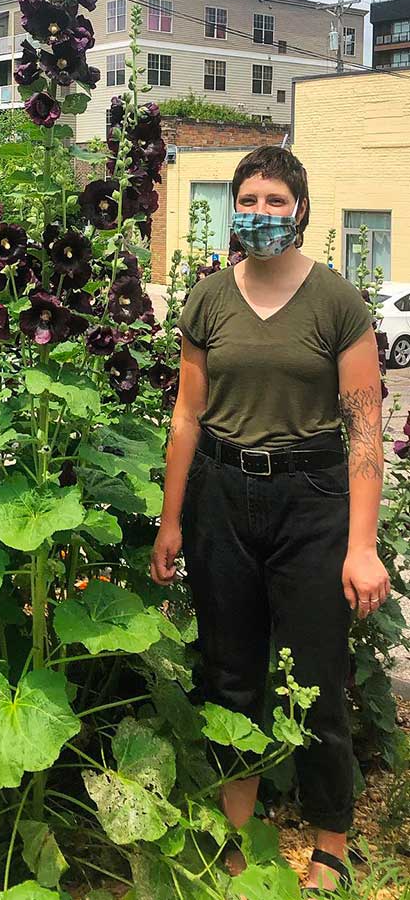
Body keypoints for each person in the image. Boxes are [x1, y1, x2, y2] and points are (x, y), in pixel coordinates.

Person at [150, 144, 387, 893]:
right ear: (233, 207)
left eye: (274, 201)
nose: (259, 214)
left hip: (312, 503)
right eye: (247, 200)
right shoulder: (209, 300)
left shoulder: (336, 303)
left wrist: (361, 547)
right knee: (231, 676)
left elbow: (366, 429)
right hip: (222, 495)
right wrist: (170, 520)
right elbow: (187, 416)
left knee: (316, 679)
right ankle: (235, 832)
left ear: (301, 210)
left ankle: (331, 845)